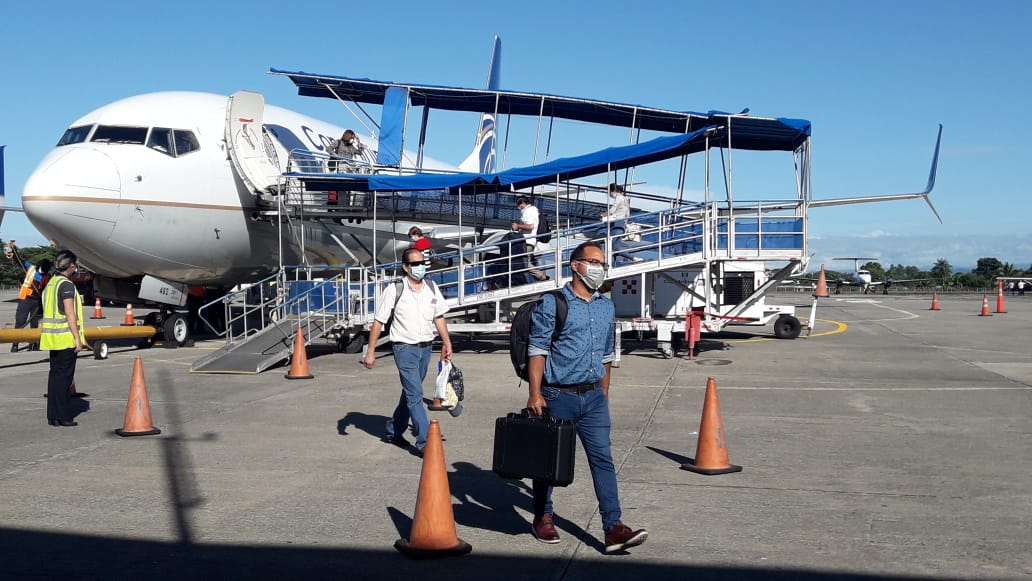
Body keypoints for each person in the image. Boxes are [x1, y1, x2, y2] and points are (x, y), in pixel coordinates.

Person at [524, 241, 648, 554]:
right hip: (558, 395)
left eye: (602, 263)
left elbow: (607, 353)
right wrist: (535, 393)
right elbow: (537, 349)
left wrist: (604, 392)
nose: (599, 268)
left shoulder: (606, 306)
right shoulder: (553, 303)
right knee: (549, 463)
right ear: (575, 265)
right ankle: (543, 515)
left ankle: (613, 527)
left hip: (593, 396)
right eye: (593, 261)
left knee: (603, 460)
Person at [364, 248, 453, 457]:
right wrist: (370, 351)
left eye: (422, 262)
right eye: (415, 264)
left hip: (426, 347)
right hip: (404, 348)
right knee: (415, 394)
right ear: (405, 267)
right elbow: (378, 322)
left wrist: (447, 342)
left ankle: (394, 430)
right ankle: (425, 442)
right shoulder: (395, 290)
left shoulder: (431, 287)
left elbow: (438, 317)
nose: (420, 267)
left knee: (410, 391)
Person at [40, 250, 85, 427]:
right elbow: (69, 312)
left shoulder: (51, 283)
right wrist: (77, 338)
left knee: (54, 377)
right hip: (65, 337)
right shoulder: (66, 285)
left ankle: (53, 416)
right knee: (64, 378)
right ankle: (63, 416)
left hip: (52, 338)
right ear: (72, 265)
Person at [12, 258, 52, 352]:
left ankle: (33, 344)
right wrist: (14, 250)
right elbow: (19, 260)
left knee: (34, 324)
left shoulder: (47, 277)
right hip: (25, 299)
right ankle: (15, 344)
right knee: (20, 322)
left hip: (36, 301)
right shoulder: (31, 268)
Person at [510, 196, 547, 282]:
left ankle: (540, 276)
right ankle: (537, 277)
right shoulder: (534, 210)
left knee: (523, 262)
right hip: (531, 241)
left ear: (522, 203)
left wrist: (517, 226)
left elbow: (530, 226)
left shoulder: (527, 211)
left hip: (526, 241)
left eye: (519, 205)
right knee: (526, 261)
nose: (519, 207)